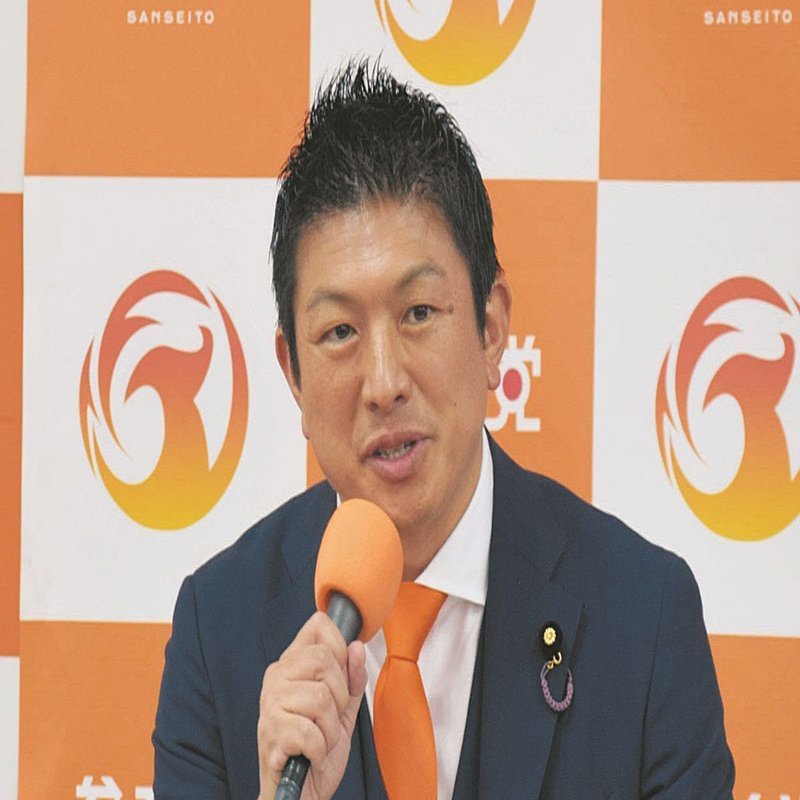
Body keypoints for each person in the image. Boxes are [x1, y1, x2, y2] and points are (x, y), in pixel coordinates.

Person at [153, 61, 735, 800]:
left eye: (419, 313)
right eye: (339, 332)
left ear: (491, 329)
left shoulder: (644, 618)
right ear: (293, 374)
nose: (384, 383)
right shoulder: (218, 631)